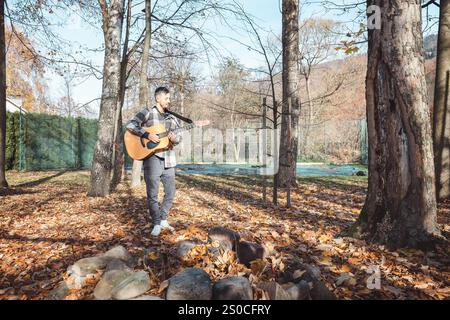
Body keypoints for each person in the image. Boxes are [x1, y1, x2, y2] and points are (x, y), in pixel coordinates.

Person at [126, 86, 181, 237]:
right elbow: (131, 125)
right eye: (166, 98)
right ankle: (156, 222)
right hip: (152, 159)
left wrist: (174, 138)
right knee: (153, 194)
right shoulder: (148, 112)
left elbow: (178, 138)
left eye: (169, 98)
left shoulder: (172, 118)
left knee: (170, 192)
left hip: (169, 158)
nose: (169, 101)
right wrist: (146, 135)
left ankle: (163, 218)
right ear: (158, 98)